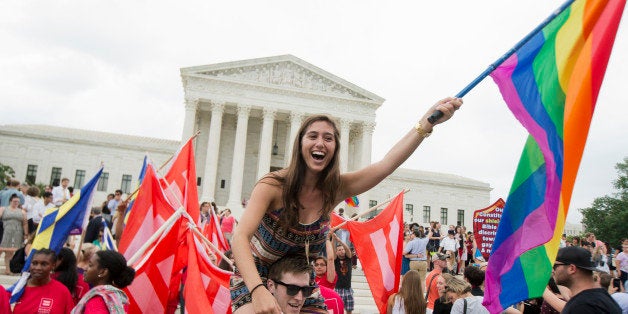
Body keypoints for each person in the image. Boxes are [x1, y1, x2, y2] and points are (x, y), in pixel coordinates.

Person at [231, 98, 463, 314]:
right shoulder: (273, 185)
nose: (320, 142)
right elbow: (240, 236)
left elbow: (385, 166)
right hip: (256, 276)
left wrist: (427, 122)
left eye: (328, 138)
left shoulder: (336, 188)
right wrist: (257, 290)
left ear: (334, 149)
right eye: (312, 136)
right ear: (300, 144)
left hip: (302, 283)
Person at [553, 246, 621, 313]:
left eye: (555, 266)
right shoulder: (601, 298)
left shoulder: (582, 306)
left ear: (572, 268)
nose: (552, 270)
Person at [72, 250, 136, 313]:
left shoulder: (97, 301)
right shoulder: (118, 298)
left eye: (90, 265)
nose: (85, 268)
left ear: (103, 272)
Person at [12, 249, 74, 314]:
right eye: (34, 263)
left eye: (44, 264)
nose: (38, 268)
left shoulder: (62, 291)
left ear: (53, 266)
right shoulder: (17, 289)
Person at [0, 193, 28, 274]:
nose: (16, 203)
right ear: (10, 201)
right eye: (14, 201)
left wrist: (25, 234)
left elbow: (25, 223)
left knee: (11, 252)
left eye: (18, 202)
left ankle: (8, 269)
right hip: (5, 231)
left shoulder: (22, 212)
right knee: (1, 249)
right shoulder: (3, 209)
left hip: (17, 232)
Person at [334, 232, 355, 314]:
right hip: (338, 289)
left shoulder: (348, 259)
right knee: (339, 310)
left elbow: (348, 250)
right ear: (336, 252)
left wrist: (340, 241)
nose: (342, 251)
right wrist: (333, 240)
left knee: (349, 310)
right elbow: (333, 250)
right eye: (339, 250)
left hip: (348, 289)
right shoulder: (336, 260)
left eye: (342, 249)